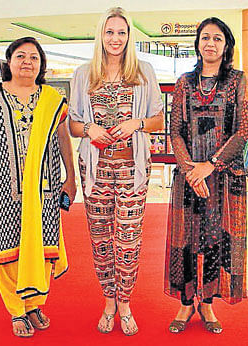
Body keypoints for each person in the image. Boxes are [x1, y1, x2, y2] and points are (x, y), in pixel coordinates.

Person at [0, 37, 77, 338]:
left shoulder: (52, 99)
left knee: (41, 247)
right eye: (20, 56)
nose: (27, 62)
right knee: (4, 247)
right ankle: (16, 309)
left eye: (33, 57)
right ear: (8, 62)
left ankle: (34, 304)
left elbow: (64, 140)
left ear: (41, 64)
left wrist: (71, 177)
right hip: (0, 185)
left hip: (46, 187)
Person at [69, 7, 164, 336]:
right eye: (110, 32)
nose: (115, 39)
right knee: (100, 241)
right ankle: (107, 300)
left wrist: (136, 123)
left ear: (129, 36)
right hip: (95, 171)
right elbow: (72, 124)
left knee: (128, 240)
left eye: (121, 32)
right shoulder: (84, 74)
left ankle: (125, 302)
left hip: (132, 169)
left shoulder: (144, 71)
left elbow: (158, 119)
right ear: (101, 35)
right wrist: (88, 130)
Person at [165, 17, 248, 334]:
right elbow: (174, 132)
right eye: (205, 37)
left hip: (225, 177)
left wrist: (210, 164)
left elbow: (243, 131)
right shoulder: (184, 82)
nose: (211, 43)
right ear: (198, 43)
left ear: (226, 45)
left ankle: (208, 305)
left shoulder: (238, 81)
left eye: (217, 38)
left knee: (217, 241)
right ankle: (186, 303)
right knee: (186, 241)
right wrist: (191, 170)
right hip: (189, 178)